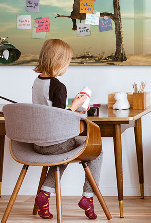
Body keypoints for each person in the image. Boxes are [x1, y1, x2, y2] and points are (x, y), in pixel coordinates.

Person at [32, 39, 102, 220]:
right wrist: (77, 105)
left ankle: (44, 195)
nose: (67, 66)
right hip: (55, 143)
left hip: (38, 143)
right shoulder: (58, 86)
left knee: (62, 155)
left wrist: (71, 106)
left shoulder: (37, 82)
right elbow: (60, 118)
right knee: (97, 151)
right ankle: (88, 197)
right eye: (68, 62)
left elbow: (49, 111)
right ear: (59, 62)